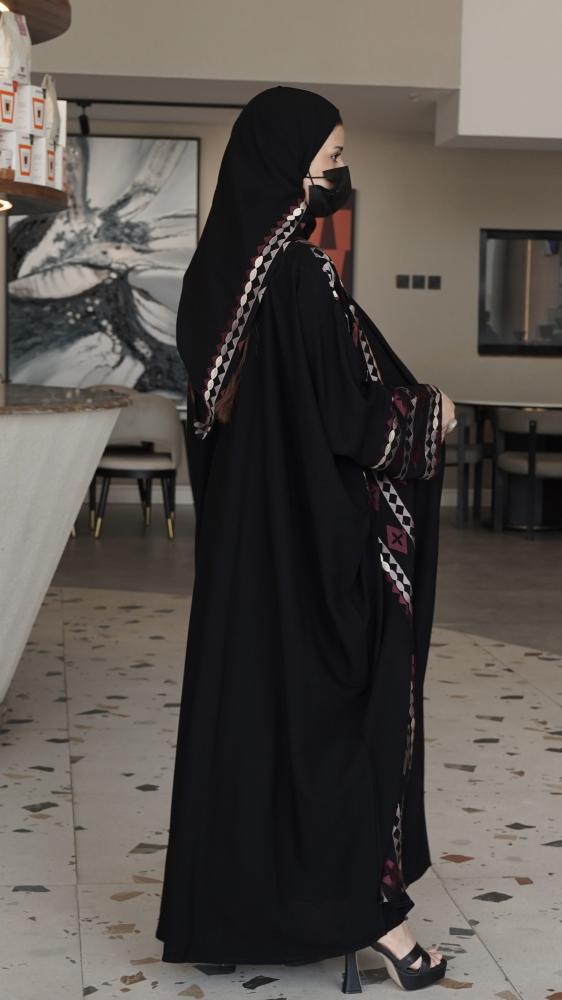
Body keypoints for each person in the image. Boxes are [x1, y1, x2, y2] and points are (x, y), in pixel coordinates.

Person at [156, 85, 456, 993]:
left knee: (247, 725)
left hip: (247, 554)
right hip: (311, 552)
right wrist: (429, 415)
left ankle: (226, 917)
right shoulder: (298, 274)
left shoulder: (217, 277)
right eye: (330, 162)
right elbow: (346, 416)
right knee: (338, 722)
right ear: (286, 168)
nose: (338, 177)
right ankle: (380, 923)